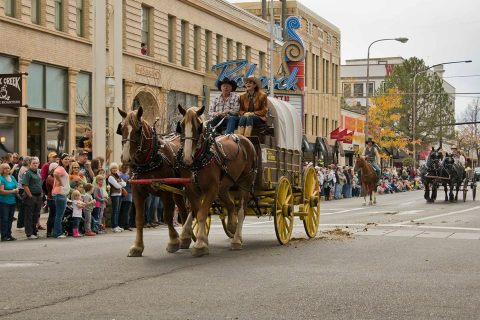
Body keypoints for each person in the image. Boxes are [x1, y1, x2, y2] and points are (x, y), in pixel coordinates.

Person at [22, 157, 43, 240]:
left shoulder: (38, 172)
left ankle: (34, 231)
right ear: (30, 164)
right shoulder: (28, 173)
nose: (35, 164)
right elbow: (25, 185)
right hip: (31, 196)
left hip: (38, 196)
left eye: (36, 163)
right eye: (33, 163)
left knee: (36, 215)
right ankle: (29, 233)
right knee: (29, 216)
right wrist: (30, 196)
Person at [52, 153, 71, 239]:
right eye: (65, 159)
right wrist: (60, 182)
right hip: (60, 194)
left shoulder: (63, 169)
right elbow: (55, 174)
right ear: (61, 160)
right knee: (59, 215)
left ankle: (57, 232)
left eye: (68, 159)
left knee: (59, 215)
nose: (67, 160)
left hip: (61, 194)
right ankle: (57, 233)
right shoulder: (60, 168)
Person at [0, 163, 19, 241]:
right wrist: (12, 191)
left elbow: (16, 185)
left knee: (10, 219)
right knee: (4, 219)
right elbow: (1, 191)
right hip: (4, 202)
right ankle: (4, 235)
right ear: (2, 170)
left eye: (8, 168)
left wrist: (17, 189)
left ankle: (9, 234)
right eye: (5, 168)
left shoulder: (12, 177)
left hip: (12, 201)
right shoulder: (1, 178)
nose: (7, 169)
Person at [108, 163, 126, 233]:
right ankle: (114, 226)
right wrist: (120, 183)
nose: (115, 170)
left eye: (116, 168)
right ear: (111, 170)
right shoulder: (111, 177)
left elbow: (125, 183)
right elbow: (117, 186)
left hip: (119, 194)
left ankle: (116, 225)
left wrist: (120, 183)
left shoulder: (118, 176)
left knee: (117, 211)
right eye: (113, 168)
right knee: (115, 211)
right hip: (114, 195)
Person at [45, 162, 58, 238]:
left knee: (54, 215)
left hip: (54, 198)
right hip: (52, 199)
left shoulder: (54, 177)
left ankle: (52, 230)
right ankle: (49, 232)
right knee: (52, 215)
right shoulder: (50, 178)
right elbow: (57, 185)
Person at [119, 164, 133, 231]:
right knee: (126, 212)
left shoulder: (119, 175)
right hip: (128, 195)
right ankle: (126, 225)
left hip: (122, 195)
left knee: (122, 211)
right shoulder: (127, 176)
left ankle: (121, 224)